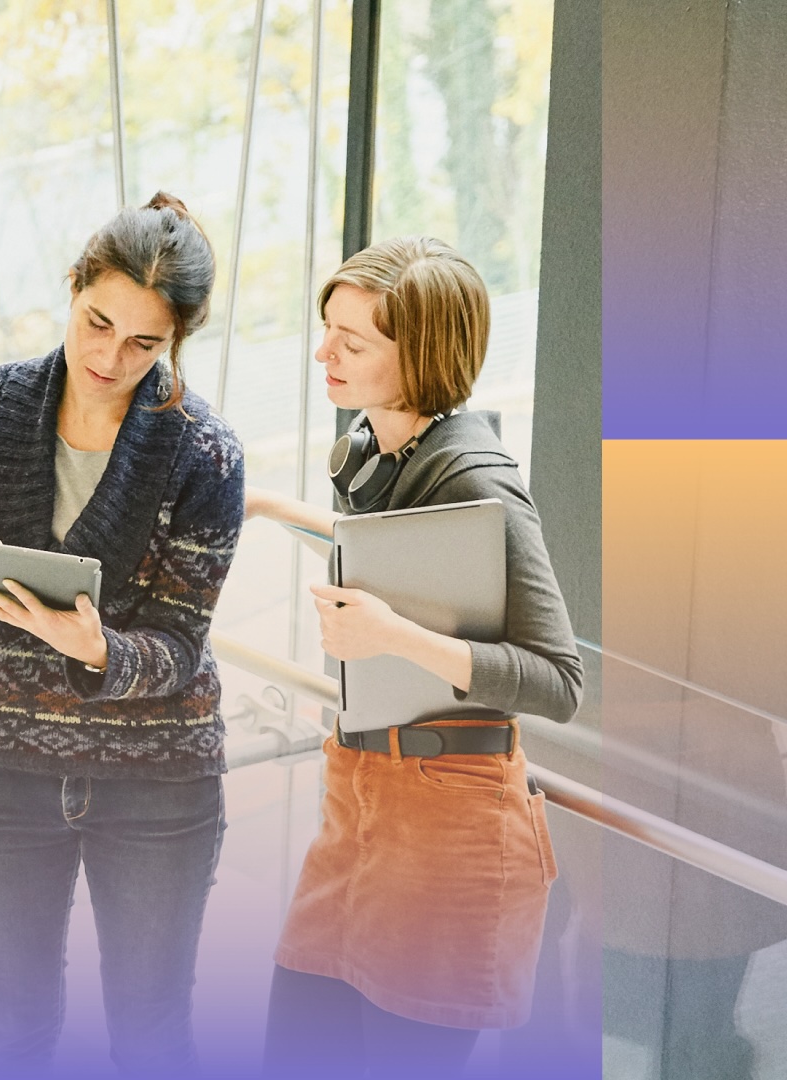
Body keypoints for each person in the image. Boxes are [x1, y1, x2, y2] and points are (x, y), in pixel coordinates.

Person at [0, 192, 245, 1074]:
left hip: (158, 784)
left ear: (176, 342)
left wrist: (98, 651)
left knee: (152, 1038)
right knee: (13, 1030)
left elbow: (181, 645)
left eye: (143, 343)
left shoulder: (206, 455)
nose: (109, 357)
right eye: (97, 322)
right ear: (73, 286)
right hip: (2, 776)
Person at [249, 236, 584, 1078]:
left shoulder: (480, 481)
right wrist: (271, 505)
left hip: (449, 832)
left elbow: (558, 678)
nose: (324, 352)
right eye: (327, 328)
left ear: (423, 358)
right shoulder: (385, 450)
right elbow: (411, 557)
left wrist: (391, 637)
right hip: (366, 803)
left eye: (352, 342)